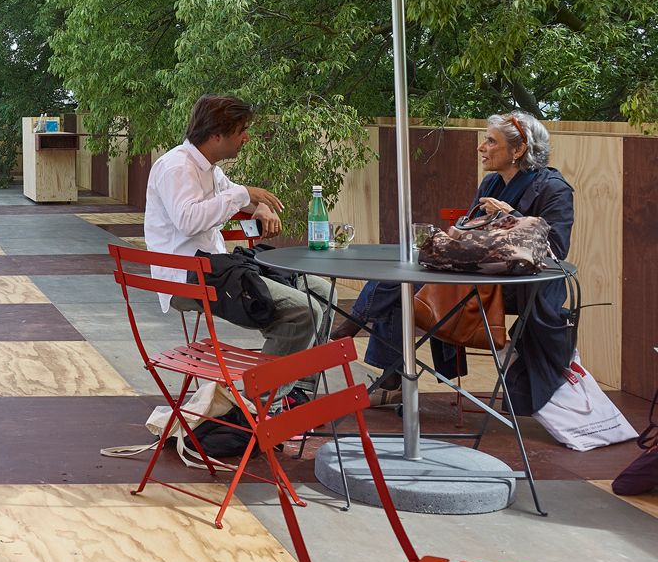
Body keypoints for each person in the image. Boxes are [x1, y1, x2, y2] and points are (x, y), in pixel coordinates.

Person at [336, 110, 575, 412]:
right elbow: (471, 235)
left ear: (518, 150)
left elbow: (554, 249)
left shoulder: (554, 188)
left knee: (401, 284)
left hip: (517, 285)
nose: (481, 147)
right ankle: (389, 376)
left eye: (490, 141)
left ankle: (358, 330)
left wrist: (509, 217)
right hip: (476, 271)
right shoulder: (491, 184)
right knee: (402, 279)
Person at [143, 95, 329, 394]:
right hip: (188, 276)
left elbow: (240, 196)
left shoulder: (210, 169)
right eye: (241, 130)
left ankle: (296, 389)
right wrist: (243, 194)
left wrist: (261, 206)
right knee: (302, 311)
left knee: (321, 291)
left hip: (217, 268)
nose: (246, 137)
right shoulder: (177, 167)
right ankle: (262, 404)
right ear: (216, 134)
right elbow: (188, 220)